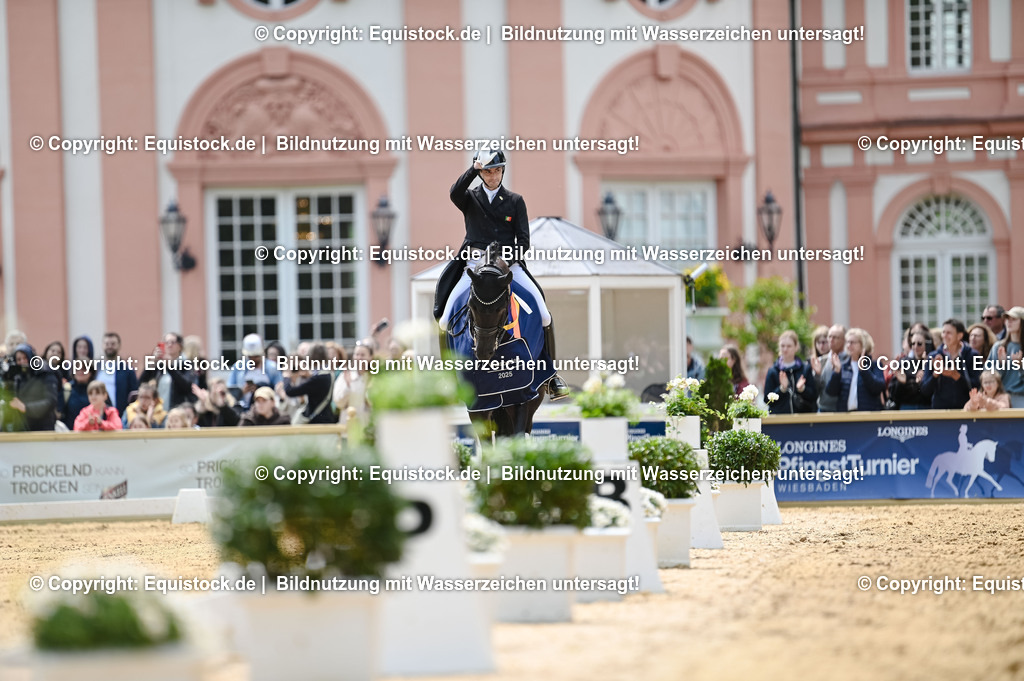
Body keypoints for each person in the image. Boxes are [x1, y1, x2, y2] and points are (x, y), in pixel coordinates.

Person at [434, 147, 569, 400]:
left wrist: (506, 260)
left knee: (543, 314)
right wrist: (473, 169)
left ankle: (551, 377)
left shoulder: (515, 201)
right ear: (481, 172)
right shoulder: (470, 198)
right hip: (474, 265)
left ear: (502, 171)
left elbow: (524, 241)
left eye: (496, 170)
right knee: (444, 320)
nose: (493, 175)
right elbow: (454, 193)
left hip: (508, 267)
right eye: (487, 171)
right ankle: (448, 378)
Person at [920, 318, 981, 409]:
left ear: (959, 335)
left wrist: (957, 376)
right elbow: (925, 390)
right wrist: (935, 374)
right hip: (940, 412)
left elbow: (977, 386)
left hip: (966, 411)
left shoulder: (973, 355)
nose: (945, 335)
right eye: (943, 332)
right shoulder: (933, 356)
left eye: (949, 333)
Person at [825, 328, 885, 412]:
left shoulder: (874, 365)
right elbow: (831, 392)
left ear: (863, 345)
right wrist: (837, 372)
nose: (849, 345)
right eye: (847, 342)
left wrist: (864, 371)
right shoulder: (843, 366)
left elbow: (878, 388)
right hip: (846, 417)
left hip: (868, 417)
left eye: (852, 342)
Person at [5, 344, 60, 431]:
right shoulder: (17, 377)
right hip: (23, 427)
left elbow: (50, 401)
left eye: (25, 357)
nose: (22, 361)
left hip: (43, 427)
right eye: (19, 359)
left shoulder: (45, 372)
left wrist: (26, 408)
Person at [281, 343, 337, 425]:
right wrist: (309, 376)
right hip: (326, 417)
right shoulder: (329, 374)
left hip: (317, 421)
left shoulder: (317, 378)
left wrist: (286, 376)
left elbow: (290, 391)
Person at [139, 332, 197, 410]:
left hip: (178, 412)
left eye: (173, 342)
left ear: (180, 346)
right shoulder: (160, 365)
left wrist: (170, 367)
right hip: (159, 413)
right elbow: (142, 382)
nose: (169, 345)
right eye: (166, 342)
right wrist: (152, 362)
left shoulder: (187, 364)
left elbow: (187, 386)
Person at [764, 330, 817, 414]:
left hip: (802, 419)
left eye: (789, 346)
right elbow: (767, 400)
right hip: (780, 420)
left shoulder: (805, 369)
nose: (785, 349)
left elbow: (813, 395)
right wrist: (781, 389)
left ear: (796, 347)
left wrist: (802, 389)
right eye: (782, 346)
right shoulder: (773, 371)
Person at [987, 306, 1024, 407]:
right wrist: (1001, 365)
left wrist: (1020, 366)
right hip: (1001, 400)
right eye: (1007, 319)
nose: (1009, 322)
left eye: (1014, 319)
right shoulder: (998, 347)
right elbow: (987, 376)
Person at [96, 332, 139, 417]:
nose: (109, 346)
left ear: (119, 346)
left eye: (113, 344)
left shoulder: (127, 370)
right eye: (107, 344)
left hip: (120, 416)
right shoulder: (96, 368)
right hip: (97, 416)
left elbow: (134, 395)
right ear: (102, 345)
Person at [333, 339, 374, 426]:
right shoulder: (345, 376)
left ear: (370, 357)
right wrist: (348, 386)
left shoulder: (374, 377)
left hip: (369, 428)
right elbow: (338, 403)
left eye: (362, 355)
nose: (359, 358)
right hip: (348, 428)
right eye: (357, 354)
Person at [887, 331, 932, 410]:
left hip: (926, 407)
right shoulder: (904, 362)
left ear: (927, 345)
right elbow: (893, 393)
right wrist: (901, 383)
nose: (916, 346)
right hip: (907, 407)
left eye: (919, 344)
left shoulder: (932, 363)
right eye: (913, 344)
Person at [811, 324, 846, 412]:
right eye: (829, 336)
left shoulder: (848, 360)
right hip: (823, 409)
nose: (831, 340)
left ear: (844, 340)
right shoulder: (821, 361)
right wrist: (817, 375)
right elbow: (815, 391)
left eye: (835, 337)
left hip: (843, 410)